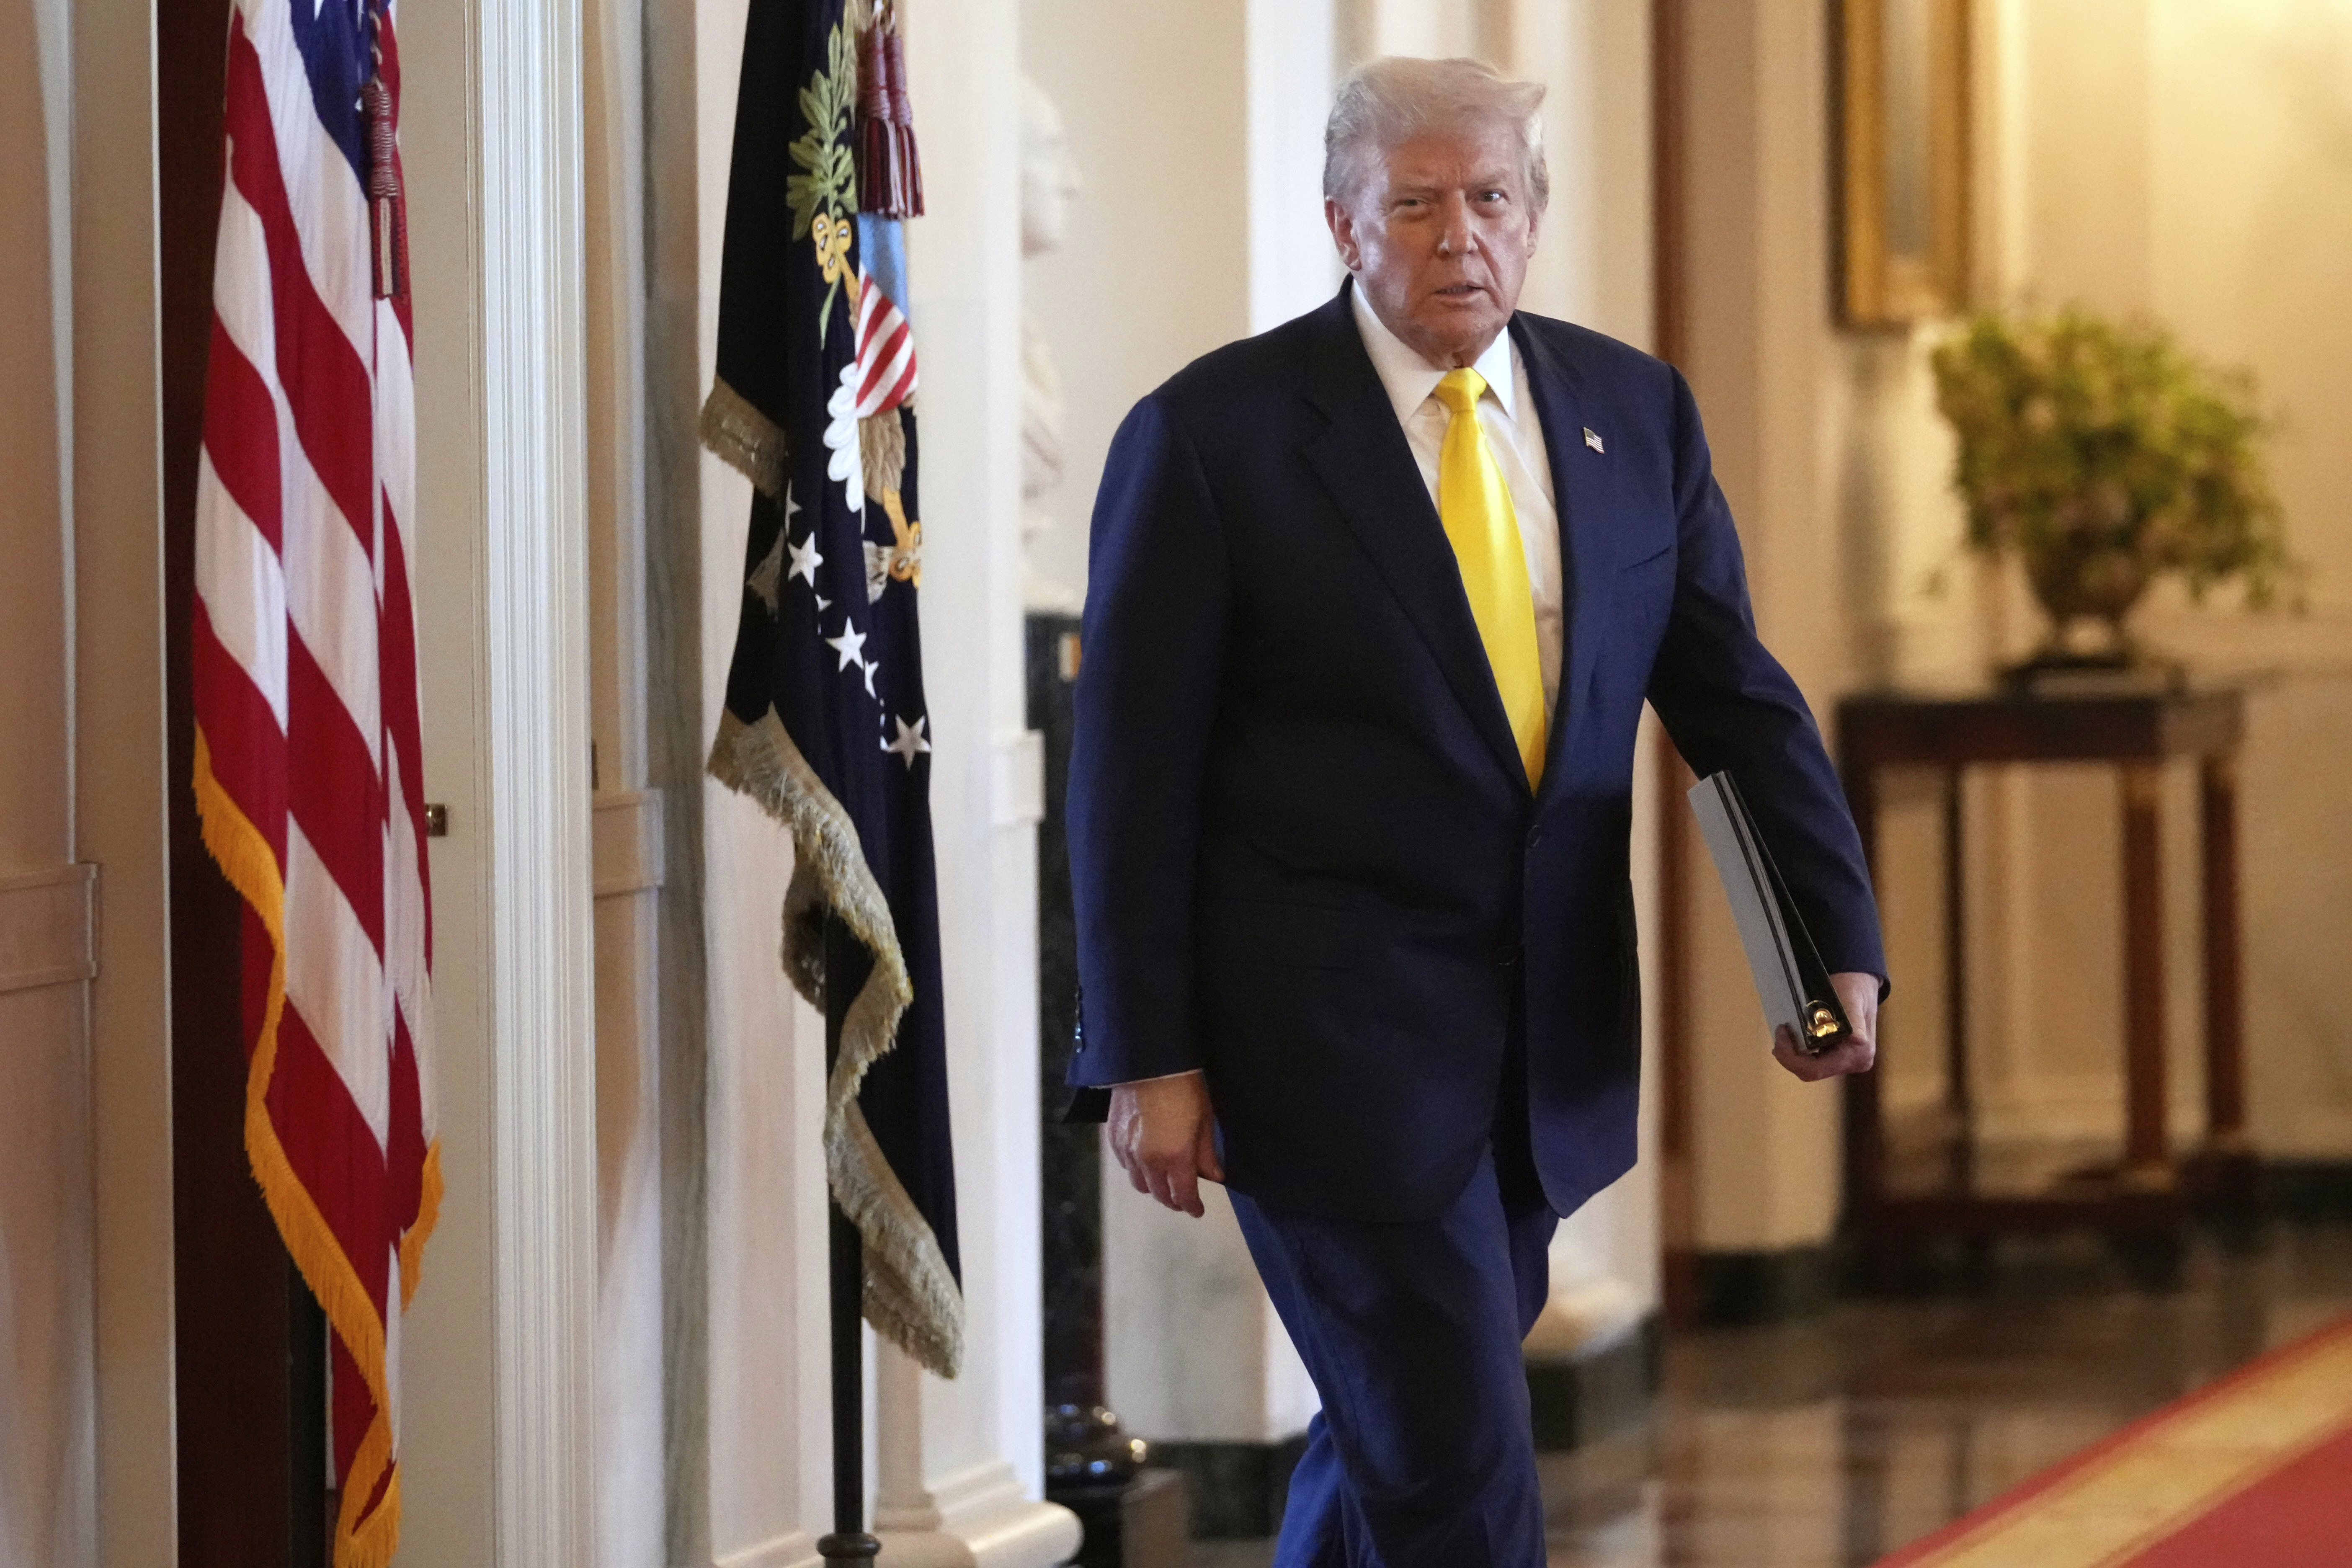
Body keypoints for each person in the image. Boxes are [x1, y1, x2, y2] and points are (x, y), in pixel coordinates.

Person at [1065, 56, 1887, 1568]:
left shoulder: (1631, 415)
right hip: (1323, 1056)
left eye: (1492, 199)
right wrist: (1147, 1053)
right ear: (1344, 224)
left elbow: (1733, 705)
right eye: (1418, 204)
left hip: (1543, 1055)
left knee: (1391, 1450)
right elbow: (1129, 773)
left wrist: (1828, 945)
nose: (1462, 237)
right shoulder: (1212, 439)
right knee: (1456, 1467)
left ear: (1533, 216)